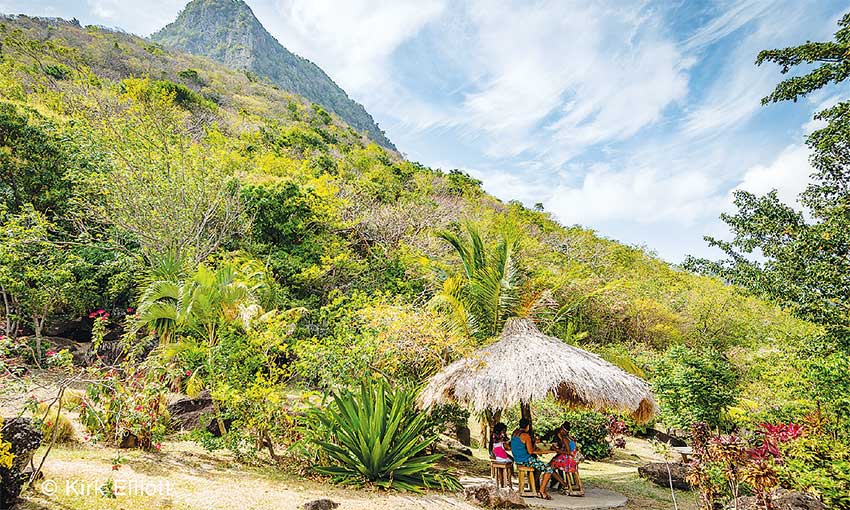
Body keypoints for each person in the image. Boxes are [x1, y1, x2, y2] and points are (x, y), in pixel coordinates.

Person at [511, 418, 566, 499]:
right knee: (549, 469)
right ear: (528, 426)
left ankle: (535, 487)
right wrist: (535, 443)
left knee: (539, 467)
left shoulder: (514, 433)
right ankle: (541, 491)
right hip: (526, 460)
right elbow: (530, 451)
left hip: (517, 459)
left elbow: (521, 447)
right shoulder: (526, 436)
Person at [550, 421, 584, 496]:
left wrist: (556, 450)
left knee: (549, 467)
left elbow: (568, 452)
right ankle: (564, 483)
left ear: (562, 429)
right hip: (573, 460)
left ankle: (564, 484)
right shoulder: (571, 438)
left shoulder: (565, 439)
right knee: (553, 461)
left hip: (568, 460)